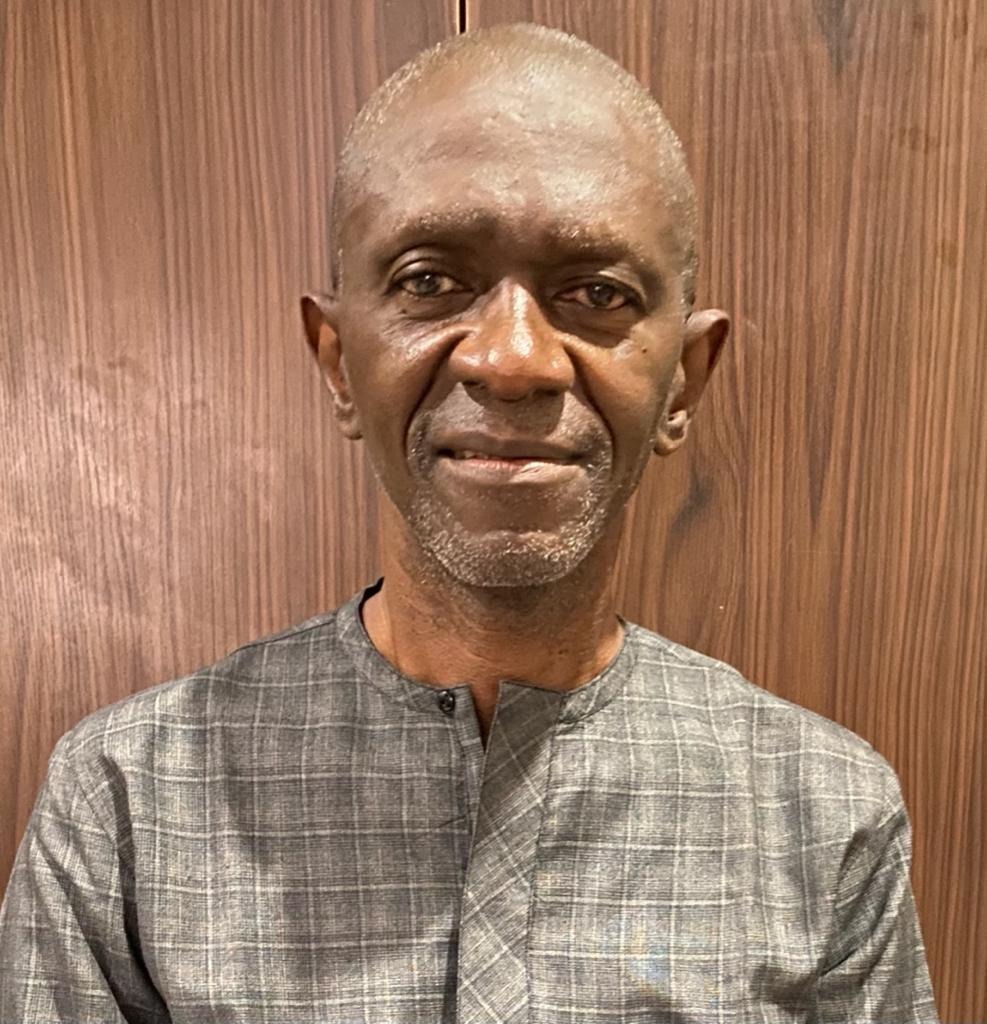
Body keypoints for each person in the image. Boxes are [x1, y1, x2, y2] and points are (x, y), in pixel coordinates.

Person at [0, 22, 938, 1023]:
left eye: (597, 292)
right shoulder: (127, 804)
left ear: (683, 380)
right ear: (338, 362)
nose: (513, 360)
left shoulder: (825, 814)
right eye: (430, 281)